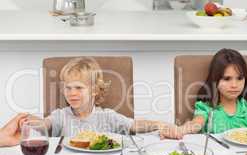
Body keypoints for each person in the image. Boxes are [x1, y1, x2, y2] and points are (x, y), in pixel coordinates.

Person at [26, 57, 178, 138]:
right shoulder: (60, 116)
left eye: (79, 88)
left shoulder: (107, 117)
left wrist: (159, 124)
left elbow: (134, 125)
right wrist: (30, 121)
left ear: (94, 90)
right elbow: (44, 124)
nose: (72, 93)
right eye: (68, 88)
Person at [161, 48, 247, 138]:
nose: (234, 85)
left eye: (240, 78)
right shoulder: (206, 108)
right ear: (215, 80)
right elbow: (196, 124)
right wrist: (180, 130)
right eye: (227, 79)